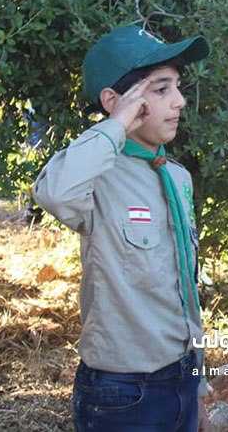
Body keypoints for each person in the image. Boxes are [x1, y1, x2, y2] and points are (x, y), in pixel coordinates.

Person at [33, 24, 213, 431]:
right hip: (123, 394)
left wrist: (198, 381)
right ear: (116, 102)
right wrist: (116, 125)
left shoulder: (177, 177)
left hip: (182, 377)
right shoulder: (96, 176)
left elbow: (184, 286)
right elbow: (55, 194)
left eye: (178, 87)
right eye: (162, 89)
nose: (180, 101)